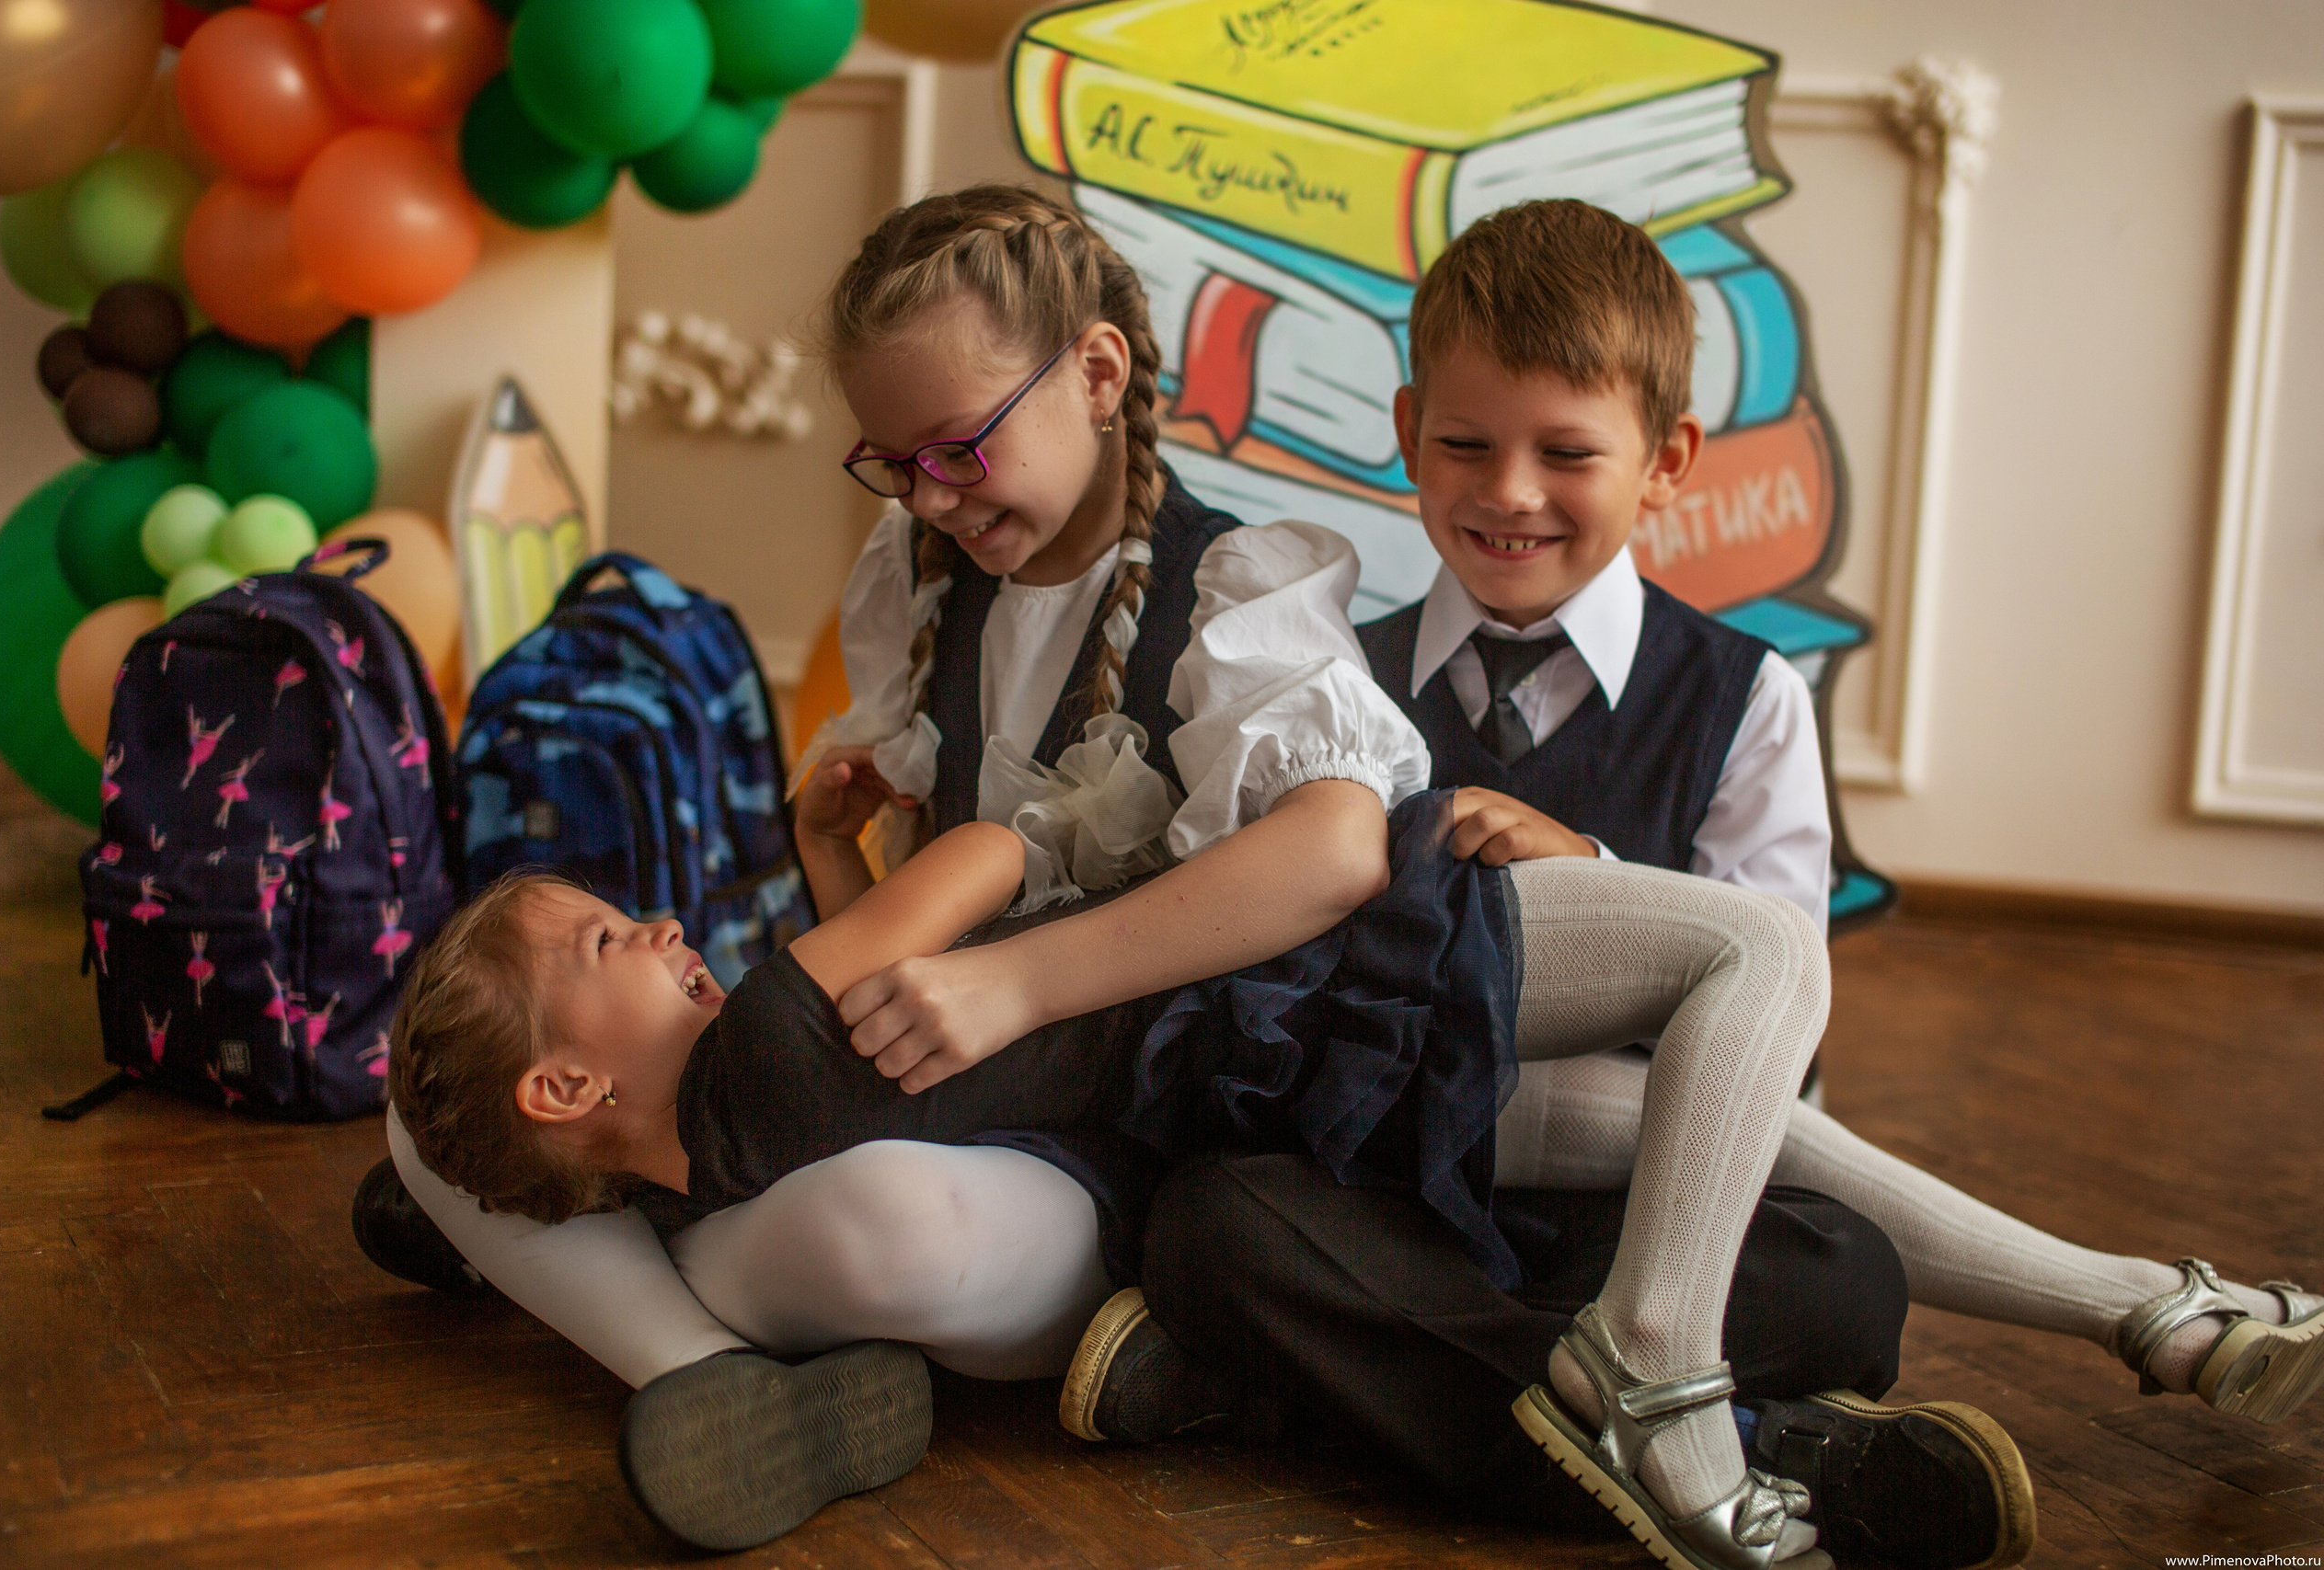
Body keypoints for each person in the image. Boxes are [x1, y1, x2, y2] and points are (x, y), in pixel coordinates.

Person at [357, 183, 1907, 1555]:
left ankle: (660, 1294)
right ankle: (697, 1352)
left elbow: (1336, 850)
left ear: (1098, 373)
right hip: (952, 1097)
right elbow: (883, 1014)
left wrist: (1012, 973)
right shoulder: (922, 574)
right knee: (427, 1094)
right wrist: (834, 851)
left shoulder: (1240, 593)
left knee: (860, 1220)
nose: (936, 500)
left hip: (1111, 1130)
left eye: (960, 450)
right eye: (893, 469)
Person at [1083, 199, 2324, 1570]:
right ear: (1404, 432)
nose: (1508, 493)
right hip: (1390, 1184)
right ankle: (1786, 1445)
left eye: (1567, 453)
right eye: (1465, 445)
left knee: (1847, 1282)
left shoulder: (1745, 700)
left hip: (1629, 1199)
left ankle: (1297, 1391)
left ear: (1667, 459)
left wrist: (1598, 877)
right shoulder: (1331, 683)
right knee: (1220, 1226)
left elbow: (1774, 1051)